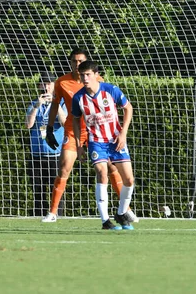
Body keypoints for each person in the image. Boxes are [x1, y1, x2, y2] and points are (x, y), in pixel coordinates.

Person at [42, 48, 138, 223]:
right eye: (74, 61)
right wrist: (49, 128)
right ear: (70, 63)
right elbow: (55, 105)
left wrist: (121, 132)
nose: (77, 65)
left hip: (98, 132)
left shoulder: (98, 81)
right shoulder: (62, 82)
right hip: (73, 130)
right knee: (64, 168)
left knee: (112, 168)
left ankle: (126, 210)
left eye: (80, 61)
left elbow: (114, 105)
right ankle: (53, 212)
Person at [71, 60, 135, 230]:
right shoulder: (78, 98)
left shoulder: (111, 90)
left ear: (96, 75)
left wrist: (123, 133)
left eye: (88, 75)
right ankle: (105, 220)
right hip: (96, 142)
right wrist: (79, 145)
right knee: (102, 173)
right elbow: (76, 121)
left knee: (129, 179)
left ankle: (121, 213)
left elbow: (128, 108)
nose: (85, 78)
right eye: (82, 75)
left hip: (116, 140)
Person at [25, 71, 67, 216]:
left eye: (48, 83)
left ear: (54, 85)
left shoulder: (61, 102)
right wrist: (37, 106)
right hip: (36, 154)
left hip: (54, 154)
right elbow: (28, 125)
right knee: (38, 189)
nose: (46, 87)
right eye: (43, 83)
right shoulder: (33, 103)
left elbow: (64, 122)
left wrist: (55, 104)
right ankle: (38, 215)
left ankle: (57, 214)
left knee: (55, 187)